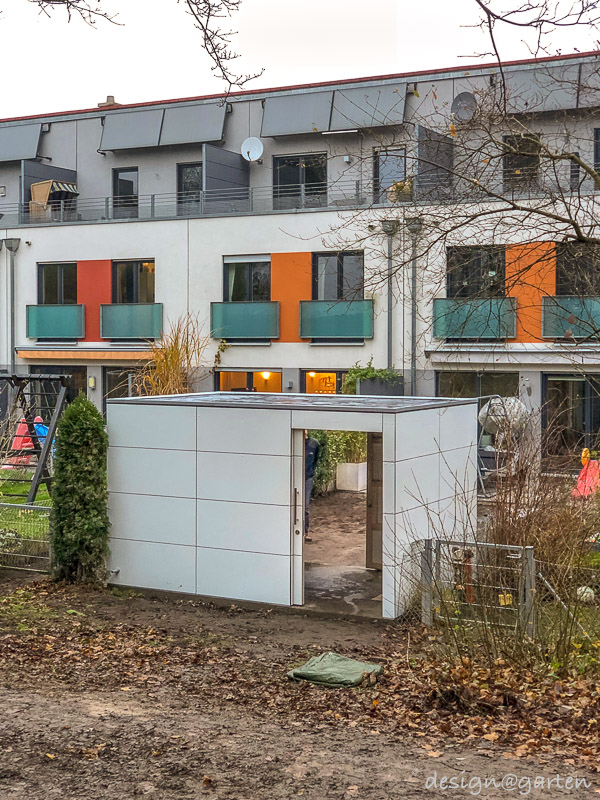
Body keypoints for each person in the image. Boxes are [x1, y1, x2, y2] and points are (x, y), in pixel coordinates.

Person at [304, 431, 320, 542]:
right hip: (294, 477)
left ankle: (305, 532)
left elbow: (315, 460)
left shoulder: (313, 444)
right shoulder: (294, 442)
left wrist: (311, 472)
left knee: (305, 506)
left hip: (307, 478)